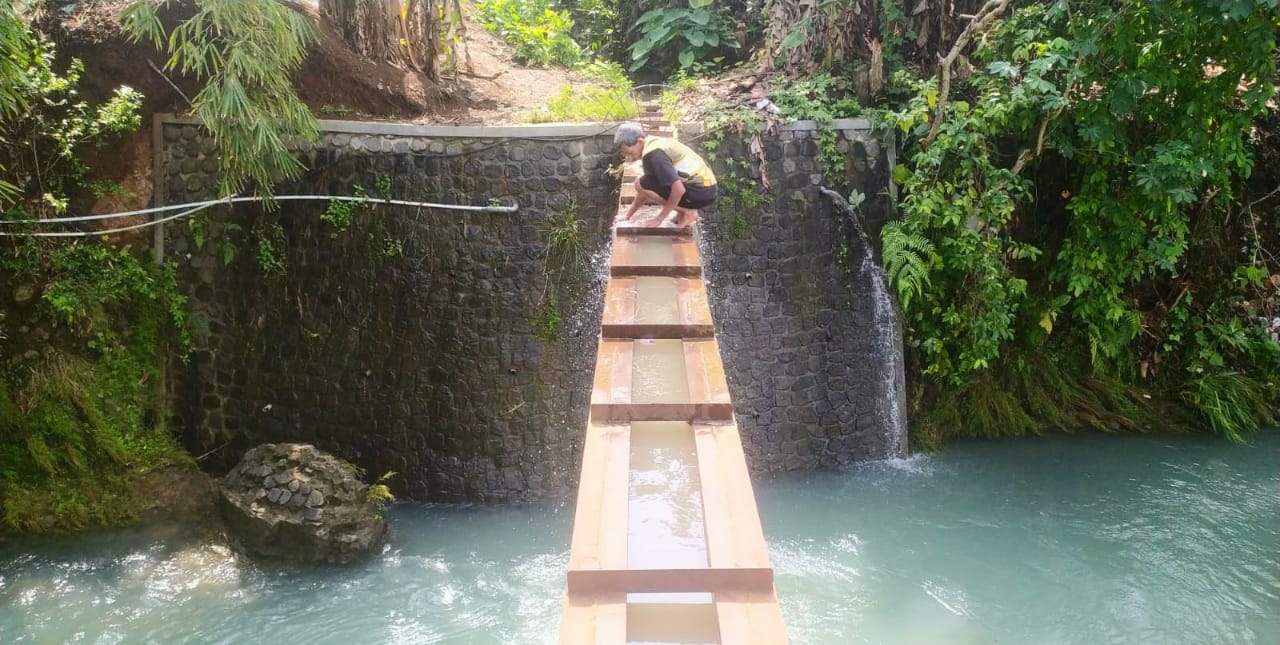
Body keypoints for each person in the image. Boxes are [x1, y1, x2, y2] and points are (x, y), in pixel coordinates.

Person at [614, 122, 718, 228]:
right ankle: (682, 212)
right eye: (626, 155)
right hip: (707, 189)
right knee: (643, 182)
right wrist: (628, 215)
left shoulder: (654, 156)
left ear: (640, 141)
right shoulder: (653, 142)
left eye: (630, 153)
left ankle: (687, 212)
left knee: (640, 183)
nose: (629, 158)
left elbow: (678, 189)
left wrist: (659, 219)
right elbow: (645, 190)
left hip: (700, 192)